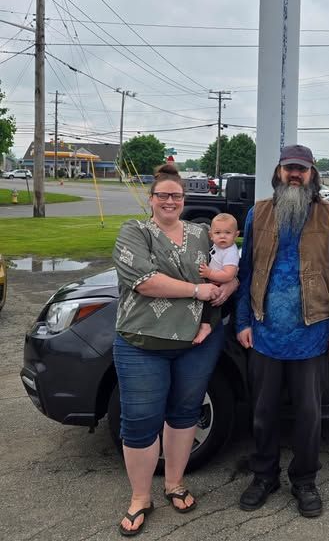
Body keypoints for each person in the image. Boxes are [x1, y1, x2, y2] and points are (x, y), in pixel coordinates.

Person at [112, 164, 238, 536]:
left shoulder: (203, 233)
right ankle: (139, 498)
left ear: (184, 200)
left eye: (176, 195)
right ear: (151, 199)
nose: (169, 201)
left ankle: (174, 484)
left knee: (184, 413)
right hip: (142, 342)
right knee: (139, 422)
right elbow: (145, 282)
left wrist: (227, 288)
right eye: (162, 195)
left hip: (197, 342)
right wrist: (199, 290)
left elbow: (230, 266)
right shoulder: (134, 231)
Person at [235, 144, 329, 519]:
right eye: (289, 168)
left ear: (312, 174)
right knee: (263, 412)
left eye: (301, 170)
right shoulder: (259, 214)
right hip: (265, 333)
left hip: (313, 333)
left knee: (308, 415)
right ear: (278, 171)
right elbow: (246, 272)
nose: (295, 175)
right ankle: (264, 476)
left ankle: (304, 480)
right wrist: (242, 321)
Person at [195, 212, 240, 344]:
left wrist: (209, 274)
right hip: (213, 280)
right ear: (211, 235)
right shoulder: (217, 246)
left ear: (236, 235)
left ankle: (205, 325)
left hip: (219, 285)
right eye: (218, 233)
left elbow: (229, 275)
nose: (222, 237)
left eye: (227, 233)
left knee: (207, 303)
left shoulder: (230, 252)